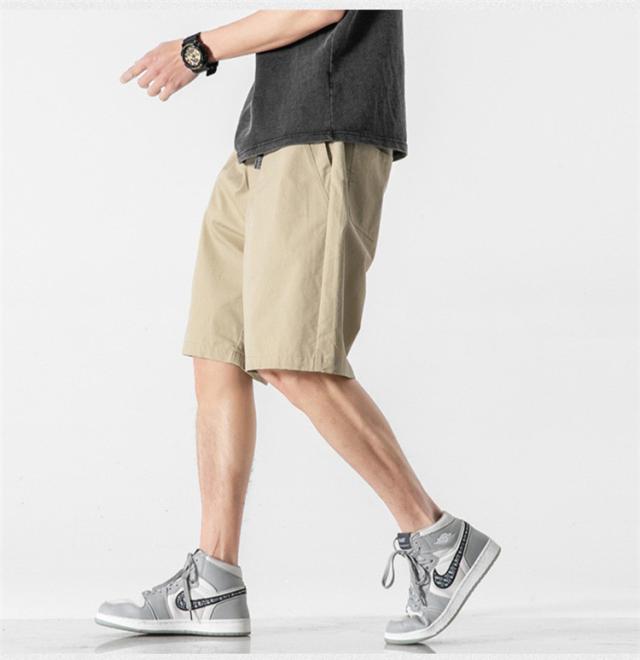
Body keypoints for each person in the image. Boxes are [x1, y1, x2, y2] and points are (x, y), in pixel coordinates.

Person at [95, 9, 501, 644]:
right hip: (266, 135)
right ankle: (213, 581)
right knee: (218, 351)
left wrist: (197, 50)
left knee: (292, 358)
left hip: (324, 129)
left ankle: (438, 538)